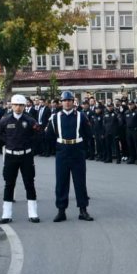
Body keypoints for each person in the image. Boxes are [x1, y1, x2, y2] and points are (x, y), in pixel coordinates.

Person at [46, 91, 94, 222]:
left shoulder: (81, 116)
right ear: (61, 103)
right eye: (64, 100)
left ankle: (83, 210)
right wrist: (57, 149)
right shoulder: (54, 117)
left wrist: (83, 149)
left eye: (69, 100)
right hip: (62, 151)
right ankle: (61, 211)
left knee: (80, 182)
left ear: (73, 102)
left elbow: (88, 134)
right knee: (61, 182)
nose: (67, 102)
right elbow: (49, 135)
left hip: (77, 151)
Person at [0, 94, 40, 223]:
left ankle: (33, 213)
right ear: (11, 106)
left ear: (25, 106)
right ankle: (6, 214)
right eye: (16, 105)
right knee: (9, 184)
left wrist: (29, 143)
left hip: (26, 156)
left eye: (21, 105)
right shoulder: (5, 120)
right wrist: (8, 141)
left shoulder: (30, 120)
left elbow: (38, 133)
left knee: (29, 184)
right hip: (11, 156)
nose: (18, 107)